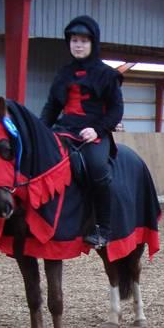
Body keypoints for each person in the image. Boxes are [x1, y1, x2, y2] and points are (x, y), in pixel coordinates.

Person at [40, 15, 123, 249]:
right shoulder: (62, 74)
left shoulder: (106, 74)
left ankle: (103, 229)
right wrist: (40, 131)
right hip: (64, 130)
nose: (78, 45)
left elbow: (117, 109)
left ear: (93, 43)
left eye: (84, 41)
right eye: (74, 40)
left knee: (97, 169)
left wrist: (97, 130)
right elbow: (52, 107)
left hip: (94, 134)